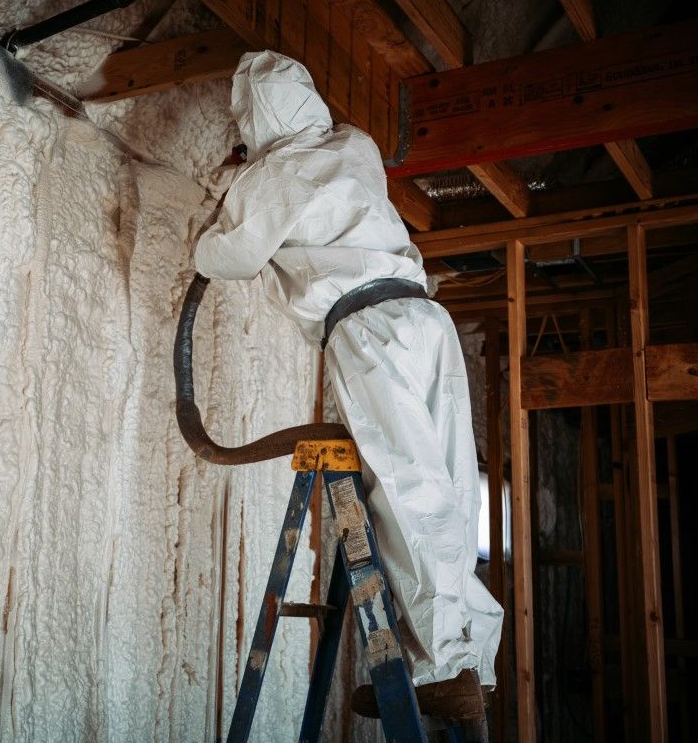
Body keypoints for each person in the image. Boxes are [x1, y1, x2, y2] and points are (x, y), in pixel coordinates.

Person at [194, 51, 503, 697]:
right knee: (449, 488)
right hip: (425, 316)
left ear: (252, 118)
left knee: (406, 487)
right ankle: (476, 657)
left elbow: (229, 255)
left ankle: (445, 665)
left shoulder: (271, 176)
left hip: (368, 331)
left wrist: (211, 223)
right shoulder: (354, 145)